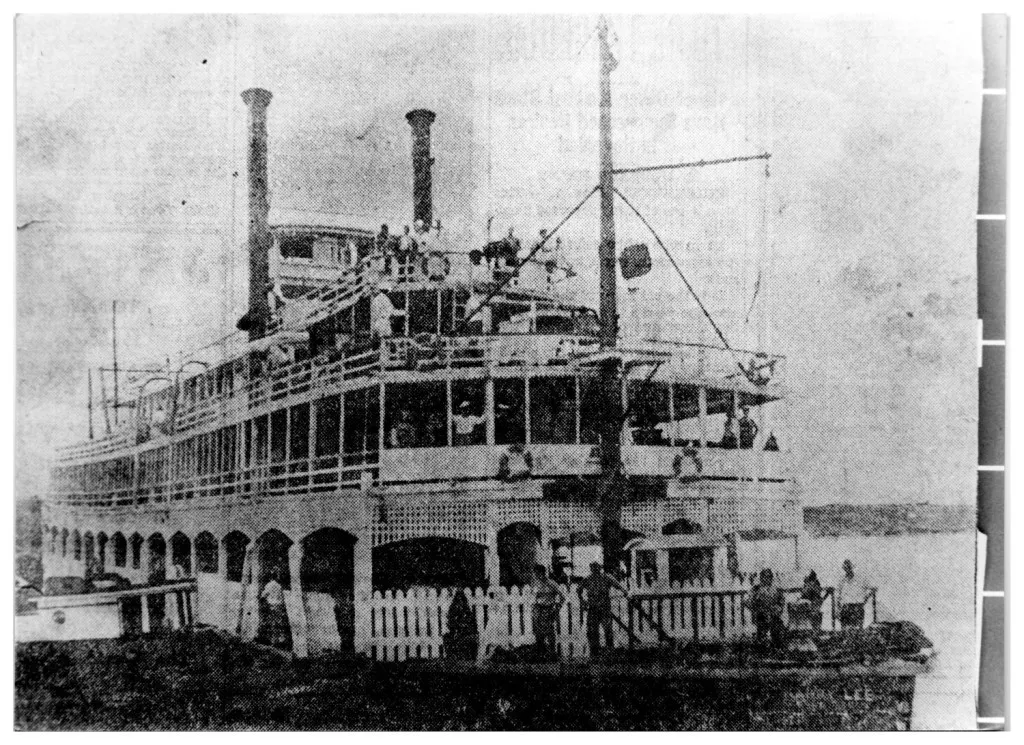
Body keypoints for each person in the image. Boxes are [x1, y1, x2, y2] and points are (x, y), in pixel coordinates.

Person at [582, 562, 623, 656]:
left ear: (600, 568)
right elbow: (579, 590)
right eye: (593, 568)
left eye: (597, 568)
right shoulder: (588, 579)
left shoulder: (607, 577)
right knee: (592, 630)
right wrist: (583, 601)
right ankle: (594, 651)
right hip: (592, 608)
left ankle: (610, 650)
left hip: (604, 608)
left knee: (608, 629)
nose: (595, 570)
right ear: (591, 569)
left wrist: (625, 593)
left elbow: (619, 586)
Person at [532, 565, 565, 659]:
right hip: (538, 609)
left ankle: (552, 653)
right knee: (538, 632)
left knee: (549, 631)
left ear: (542, 572)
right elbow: (534, 597)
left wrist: (556, 609)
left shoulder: (551, 583)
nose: (536, 575)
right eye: (535, 573)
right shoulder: (536, 583)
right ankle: (541, 653)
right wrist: (534, 608)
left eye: (538, 573)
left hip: (548, 608)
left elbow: (562, 597)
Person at [747, 568, 785, 650]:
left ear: (771, 578)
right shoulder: (756, 589)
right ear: (761, 578)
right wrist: (757, 609)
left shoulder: (776, 590)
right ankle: (762, 646)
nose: (767, 579)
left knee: (778, 629)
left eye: (769, 577)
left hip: (774, 616)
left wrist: (777, 609)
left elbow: (781, 602)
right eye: (765, 577)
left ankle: (777, 647)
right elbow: (748, 602)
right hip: (761, 616)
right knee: (761, 636)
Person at [443, 589, 478, 661]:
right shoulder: (453, 611)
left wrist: (464, 627)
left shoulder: (468, 612)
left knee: (469, 638)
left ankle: (466, 657)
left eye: (461, 600)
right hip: (456, 634)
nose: (459, 604)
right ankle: (454, 657)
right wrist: (455, 628)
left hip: (465, 634)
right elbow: (450, 623)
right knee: (447, 637)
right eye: (457, 601)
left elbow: (471, 625)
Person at [260, 570, 290, 649]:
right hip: (279, 606)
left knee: (272, 624)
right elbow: (282, 598)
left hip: (272, 606)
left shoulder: (268, 585)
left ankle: (273, 642)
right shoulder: (279, 586)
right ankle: (280, 641)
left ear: (270, 577)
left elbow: (263, 596)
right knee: (279, 624)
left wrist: (261, 598)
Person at [837, 559, 871, 630]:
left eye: (849, 567)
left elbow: (871, 589)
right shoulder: (842, 580)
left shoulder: (860, 578)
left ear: (852, 568)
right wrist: (838, 609)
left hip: (857, 606)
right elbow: (838, 595)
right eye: (845, 568)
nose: (847, 570)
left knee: (858, 630)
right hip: (845, 607)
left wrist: (865, 599)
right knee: (845, 630)